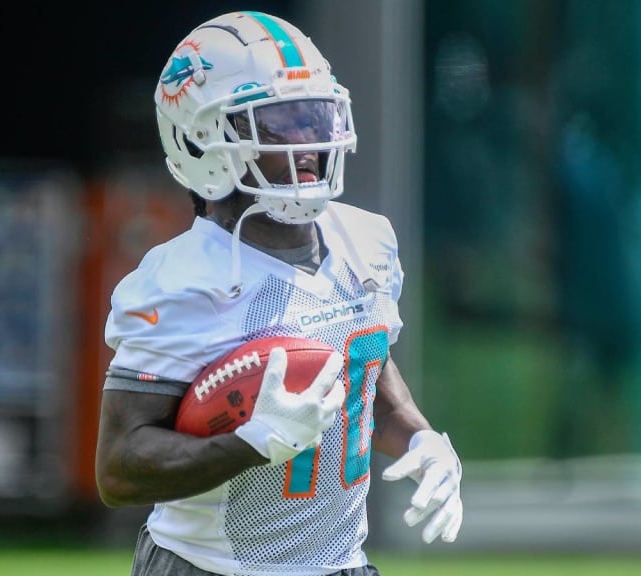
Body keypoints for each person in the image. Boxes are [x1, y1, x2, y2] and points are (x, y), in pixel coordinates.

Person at [94, 11, 464, 576]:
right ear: (202, 139)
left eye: (315, 115)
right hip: (212, 566)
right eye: (281, 122)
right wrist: (251, 443)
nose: (310, 140)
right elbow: (119, 470)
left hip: (343, 564)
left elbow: (368, 387)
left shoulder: (365, 241)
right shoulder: (180, 281)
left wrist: (423, 443)